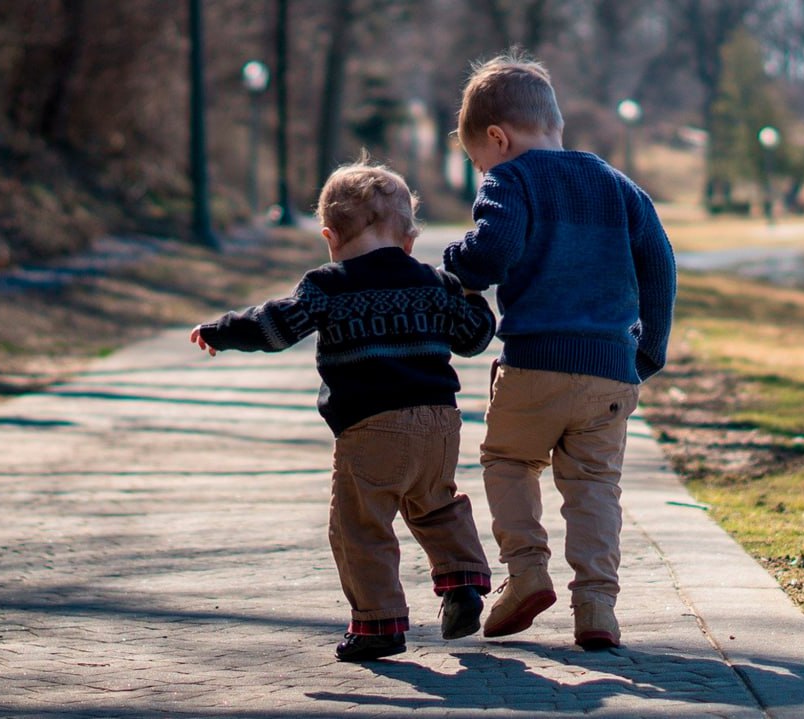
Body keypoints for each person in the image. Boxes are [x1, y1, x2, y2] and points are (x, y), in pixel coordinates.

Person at [190, 157, 496, 662]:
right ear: (408, 238)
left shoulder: (328, 285)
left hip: (371, 426)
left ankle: (379, 624)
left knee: (360, 526)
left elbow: (276, 327)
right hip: (440, 423)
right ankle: (462, 583)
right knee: (437, 504)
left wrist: (224, 330)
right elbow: (472, 338)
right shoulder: (432, 282)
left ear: (330, 236)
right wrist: (472, 293)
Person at [443, 50, 676, 650]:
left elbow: (491, 253)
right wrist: (648, 350)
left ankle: (525, 573)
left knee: (508, 461)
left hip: (535, 363)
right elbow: (660, 265)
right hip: (610, 371)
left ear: (498, 138)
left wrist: (454, 262)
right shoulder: (617, 185)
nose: (482, 170)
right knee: (595, 484)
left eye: (478, 160)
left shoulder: (511, 179)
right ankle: (596, 606)